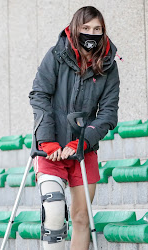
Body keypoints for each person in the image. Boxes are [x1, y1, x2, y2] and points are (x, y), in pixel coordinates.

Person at [29, 6, 120, 250]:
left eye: (97, 29)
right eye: (86, 28)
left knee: (81, 218)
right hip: (51, 149)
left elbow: (109, 114)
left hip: (83, 149)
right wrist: (47, 141)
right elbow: (39, 95)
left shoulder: (109, 65)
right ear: (75, 28)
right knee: (55, 211)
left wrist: (81, 142)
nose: (92, 33)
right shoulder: (56, 55)